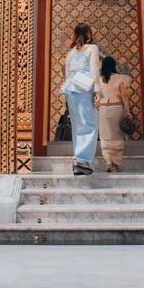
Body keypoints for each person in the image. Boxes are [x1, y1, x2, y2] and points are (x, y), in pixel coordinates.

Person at [60, 22, 100, 175]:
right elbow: (94, 69)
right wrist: (97, 92)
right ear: (89, 34)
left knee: (78, 126)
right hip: (84, 88)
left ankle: (78, 159)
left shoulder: (71, 53)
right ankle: (83, 161)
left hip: (71, 89)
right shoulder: (92, 48)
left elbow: (67, 74)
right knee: (90, 125)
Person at [97, 55, 130, 172]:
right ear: (113, 66)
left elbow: (98, 96)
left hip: (103, 108)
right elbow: (124, 96)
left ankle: (108, 160)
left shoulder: (99, 80)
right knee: (117, 135)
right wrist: (128, 111)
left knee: (105, 135)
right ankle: (117, 162)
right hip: (117, 108)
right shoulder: (119, 78)